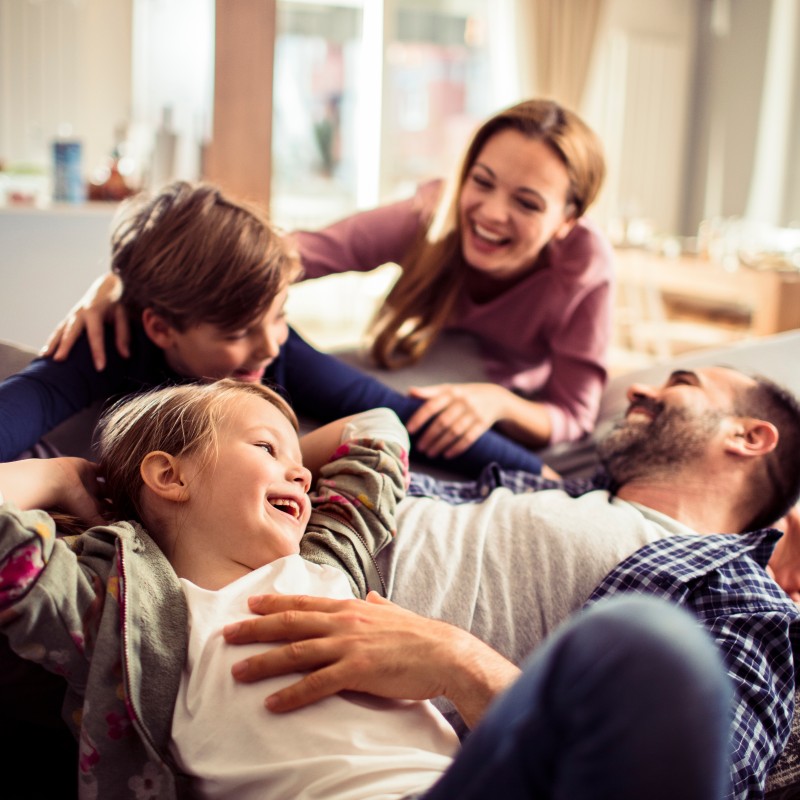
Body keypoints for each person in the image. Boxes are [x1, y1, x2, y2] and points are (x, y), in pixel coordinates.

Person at [0, 380, 733, 800]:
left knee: (647, 643)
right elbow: (11, 553)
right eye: (268, 452)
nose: (301, 476)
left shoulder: (329, 566)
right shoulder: (123, 606)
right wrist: (69, 475)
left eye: (301, 465)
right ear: (170, 476)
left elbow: (377, 436)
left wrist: (271, 447)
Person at [221, 365, 800, 800]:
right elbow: (365, 415)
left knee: (651, 643)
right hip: (222, 577)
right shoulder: (548, 489)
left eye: (682, 381)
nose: (636, 390)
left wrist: (456, 661)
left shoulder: (742, 598)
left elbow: (699, 780)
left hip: (356, 752)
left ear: (749, 438)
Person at [44, 98, 613, 458]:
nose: (490, 212)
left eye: (527, 203)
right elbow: (272, 258)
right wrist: (125, 280)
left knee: (351, 411)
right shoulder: (430, 215)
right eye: (482, 182)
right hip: (415, 363)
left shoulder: (583, 269)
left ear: (568, 218)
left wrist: (500, 407)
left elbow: (574, 412)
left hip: (499, 390)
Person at [0, 179, 545, 476]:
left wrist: (544, 477)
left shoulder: (274, 349)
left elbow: (396, 411)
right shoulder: (108, 346)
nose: (269, 344)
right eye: (238, 332)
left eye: (280, 313)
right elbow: (27, 400)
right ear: (161, 329)